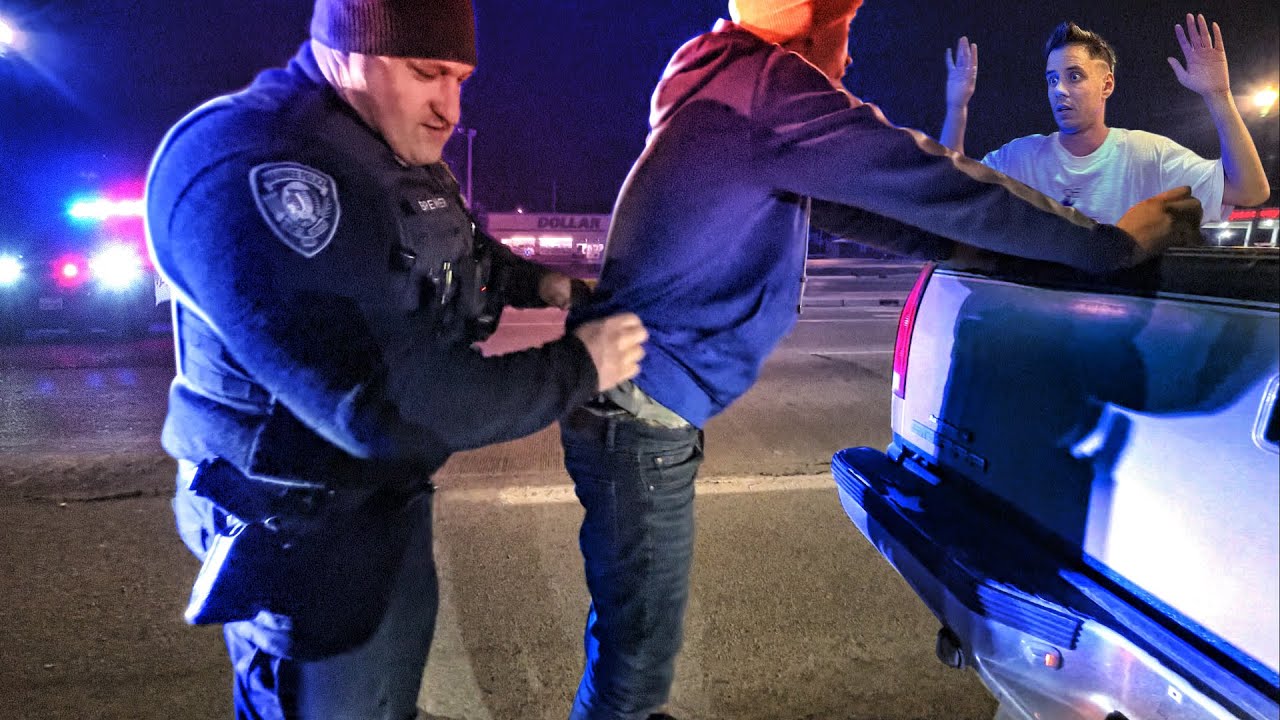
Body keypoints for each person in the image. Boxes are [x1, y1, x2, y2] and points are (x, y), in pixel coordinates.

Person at [557, 1, 1203, 719]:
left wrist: (994, 255)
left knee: (627, 644)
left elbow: (877, 212)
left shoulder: (718, 85)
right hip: (639, 418)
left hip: (627, 408)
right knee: (632, 670)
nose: (850, 57)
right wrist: (1109, 245)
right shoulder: (767, 86)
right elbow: (930, 178)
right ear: (808, 31)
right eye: (844, 33)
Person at [144, 1, 648, 718]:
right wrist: (579, 366)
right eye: (425, 72)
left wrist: (537, 283)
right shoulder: (259, 162)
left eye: (460, 79)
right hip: (298, 524)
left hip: (381, 502)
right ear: (347, 50)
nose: (450, 108)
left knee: (387, 691)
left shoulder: (381, 148)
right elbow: (380, 406)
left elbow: (455, 247)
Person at [940, 15, 1270, 223]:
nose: (1059, 90)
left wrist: (1218, 95)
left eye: (1074, 76)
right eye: (1052, 80)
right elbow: (948, 190)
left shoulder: (1147, 156)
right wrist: (957, 108)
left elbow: (1249, 191)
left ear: (1107, 84)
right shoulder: (1020, 157)